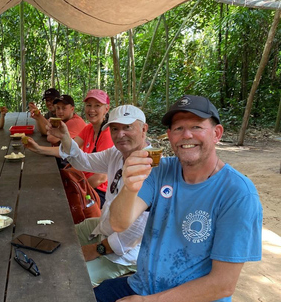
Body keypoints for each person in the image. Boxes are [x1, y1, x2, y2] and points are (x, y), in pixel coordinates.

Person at [95, 95, 263, 302]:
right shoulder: (160, 170)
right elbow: (119, 223)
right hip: (142, 285)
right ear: (169, 136)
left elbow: (223, 284)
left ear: (216, 133)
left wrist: (149, 301)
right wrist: (129, 187)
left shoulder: (238, 194)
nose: (186, 135)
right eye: (178, 129)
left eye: (197, 127)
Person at [49, 105, 149, 287]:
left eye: (127, 127)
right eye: (115, 129)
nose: (120, 134)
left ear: (144, 129)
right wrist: (65, 137)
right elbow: (83, 161)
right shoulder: (116, 154)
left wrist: (98, 249)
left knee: (73, 278)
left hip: (125, 254)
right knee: (58, 237)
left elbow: (134, 234)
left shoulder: (152, 167)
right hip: (104, 227)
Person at [26, 89, 113, 207]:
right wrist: (38, 149)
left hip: (98, 192)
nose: (91, 110)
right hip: (82, 181)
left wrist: (76, 191)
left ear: (106, 109)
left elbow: (100, 178)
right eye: (88, 105)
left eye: (97, 106)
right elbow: (67, 150)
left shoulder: (107, 134)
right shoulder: (89, 129)